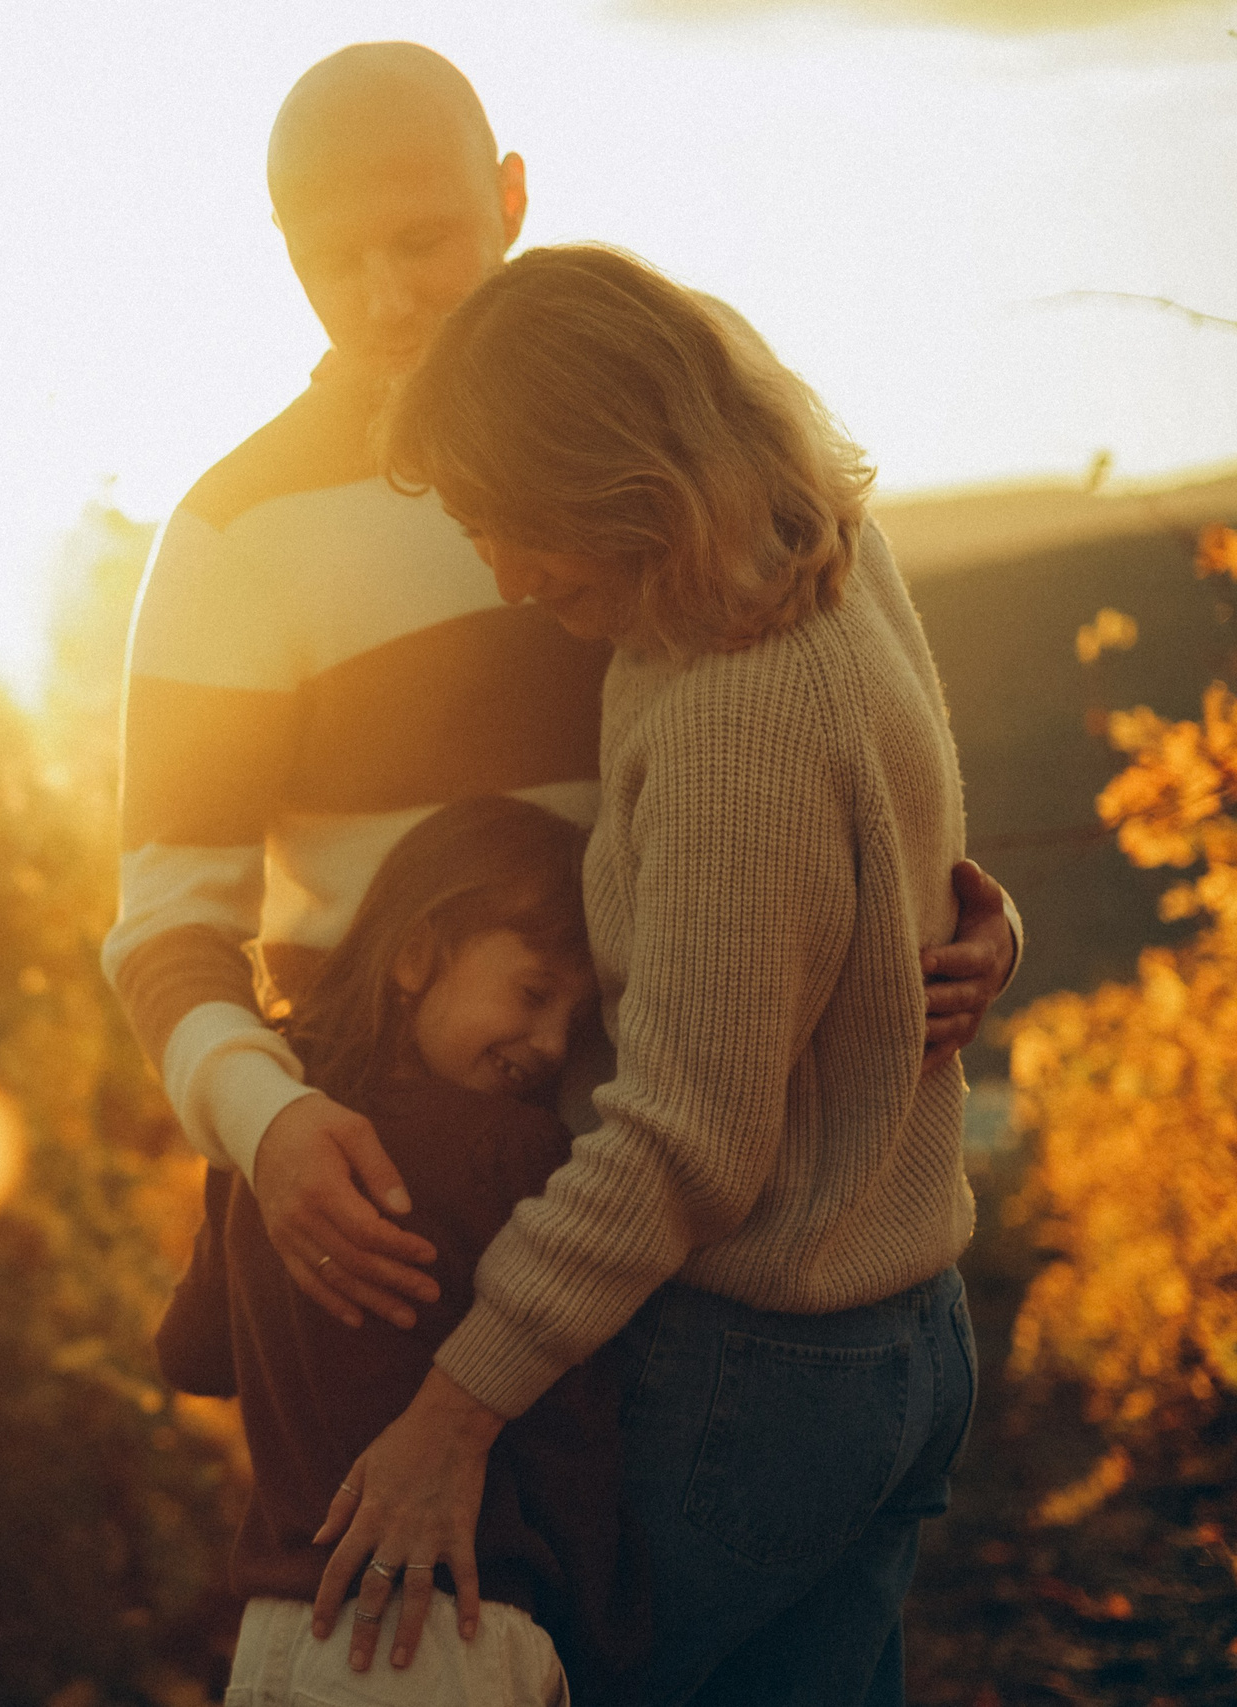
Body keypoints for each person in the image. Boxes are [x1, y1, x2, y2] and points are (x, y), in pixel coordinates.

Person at [102, 42, 1020, 1339]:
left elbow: (849, 698)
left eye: (422, 241)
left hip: (686, 1210)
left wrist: (948, 910)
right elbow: (165, 923)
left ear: (513, 198)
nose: (379, 298)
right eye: (330, 260)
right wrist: (270, 1118)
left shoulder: (673, 397)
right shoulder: (233, 534)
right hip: (400, 1196)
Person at [310, 244, 978, 1706]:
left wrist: (451, 1412)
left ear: (612, 477)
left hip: (768, 1369)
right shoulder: (815, 540)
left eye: (509, 525)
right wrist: (978, 923)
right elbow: (909, 833)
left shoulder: (735, 717)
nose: (498, 569)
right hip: (906, 1333)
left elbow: (685, 1142)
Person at [157, 795, 645, 1706]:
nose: (547, 1045)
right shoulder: (513, 1154)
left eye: (570, 1023)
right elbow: (575, 1445)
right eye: (534, 993)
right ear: (417, 953)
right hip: (440, 1631)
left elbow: (190, 1354)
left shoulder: (270, 1145)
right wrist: (610, 1643)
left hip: (273, 1639)